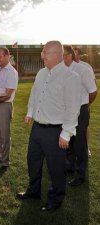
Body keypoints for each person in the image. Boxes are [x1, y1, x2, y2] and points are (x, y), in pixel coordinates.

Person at [16, 41, 81, 212]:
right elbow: (35, 94)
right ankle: (34, 190)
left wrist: (66, 133)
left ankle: (55, 199)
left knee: (56, 168)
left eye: (45, 52)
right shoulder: (41, 73)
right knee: (33, 161)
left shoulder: (70, 77)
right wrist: (30, 112)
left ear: (57, 54)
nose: (42, 55)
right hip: (37, 128)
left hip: (56, 131)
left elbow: (73, 108)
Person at [63, 45, 97, 186]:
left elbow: (93, 91)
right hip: (67, 111)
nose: (61, 57)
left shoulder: (83, 70)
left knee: (80, 144)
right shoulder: (62, 70)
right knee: (70, 141)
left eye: (63, 54)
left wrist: (84, 105)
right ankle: (70, 166)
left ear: (70, 55)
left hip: (80, 111)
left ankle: (80, 174)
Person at [0, 47, 18, 170]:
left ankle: (5, 161)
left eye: (0, 56)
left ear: (8, 56)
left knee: (5, 134)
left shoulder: (12, 72)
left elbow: (8, 94)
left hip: (4, 105)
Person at [74, 47, 95, 157]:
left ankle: (86, 148)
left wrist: (88, 103)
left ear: (79, 55)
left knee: (84, 127)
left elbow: (92, 87)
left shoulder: (86, 67)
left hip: (83, 104)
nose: (74, 57)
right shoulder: (66, 66)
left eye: (76, 54)